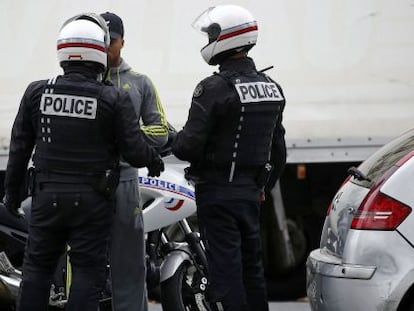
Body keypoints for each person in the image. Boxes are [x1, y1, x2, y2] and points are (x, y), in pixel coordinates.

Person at [2, 13, 164, 311]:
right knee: (87, 274)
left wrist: (12, 196)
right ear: (98, 51)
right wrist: (154, 161)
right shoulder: (112, 97)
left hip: (46, 198)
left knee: (37, 270)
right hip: (92, 201)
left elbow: (20, 149)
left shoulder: (37, 91)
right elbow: (134, 149)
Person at [172, 5, 286, 311]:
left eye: (211, 33)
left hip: (218, 192)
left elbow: (187, 147)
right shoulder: (272, 87)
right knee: (252, 270)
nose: (208, 39)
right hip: (250, 193)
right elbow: (279, 151)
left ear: (226, 38)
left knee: (226, 273)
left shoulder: (213, 89)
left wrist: (170, 138)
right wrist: (261, 186)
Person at [100, 12, 169, 311]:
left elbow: (161, 132)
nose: (105, 48)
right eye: (100, 41)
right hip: (87, 182)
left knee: (129, 264)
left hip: (126, 183)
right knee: (83, 264)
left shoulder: (140, 82)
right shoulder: (82, 80)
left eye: (111, 41)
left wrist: (123, 132)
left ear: (123, 42)